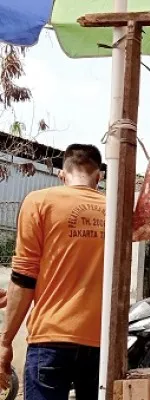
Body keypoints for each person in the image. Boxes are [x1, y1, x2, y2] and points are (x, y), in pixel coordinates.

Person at [0, 144, 105, 399]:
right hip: (103, 344)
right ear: (99, 176)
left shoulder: (40, 202)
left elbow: (24, 277)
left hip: (51, 338)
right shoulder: (115, 209)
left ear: (62, 174)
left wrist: (5, 342)